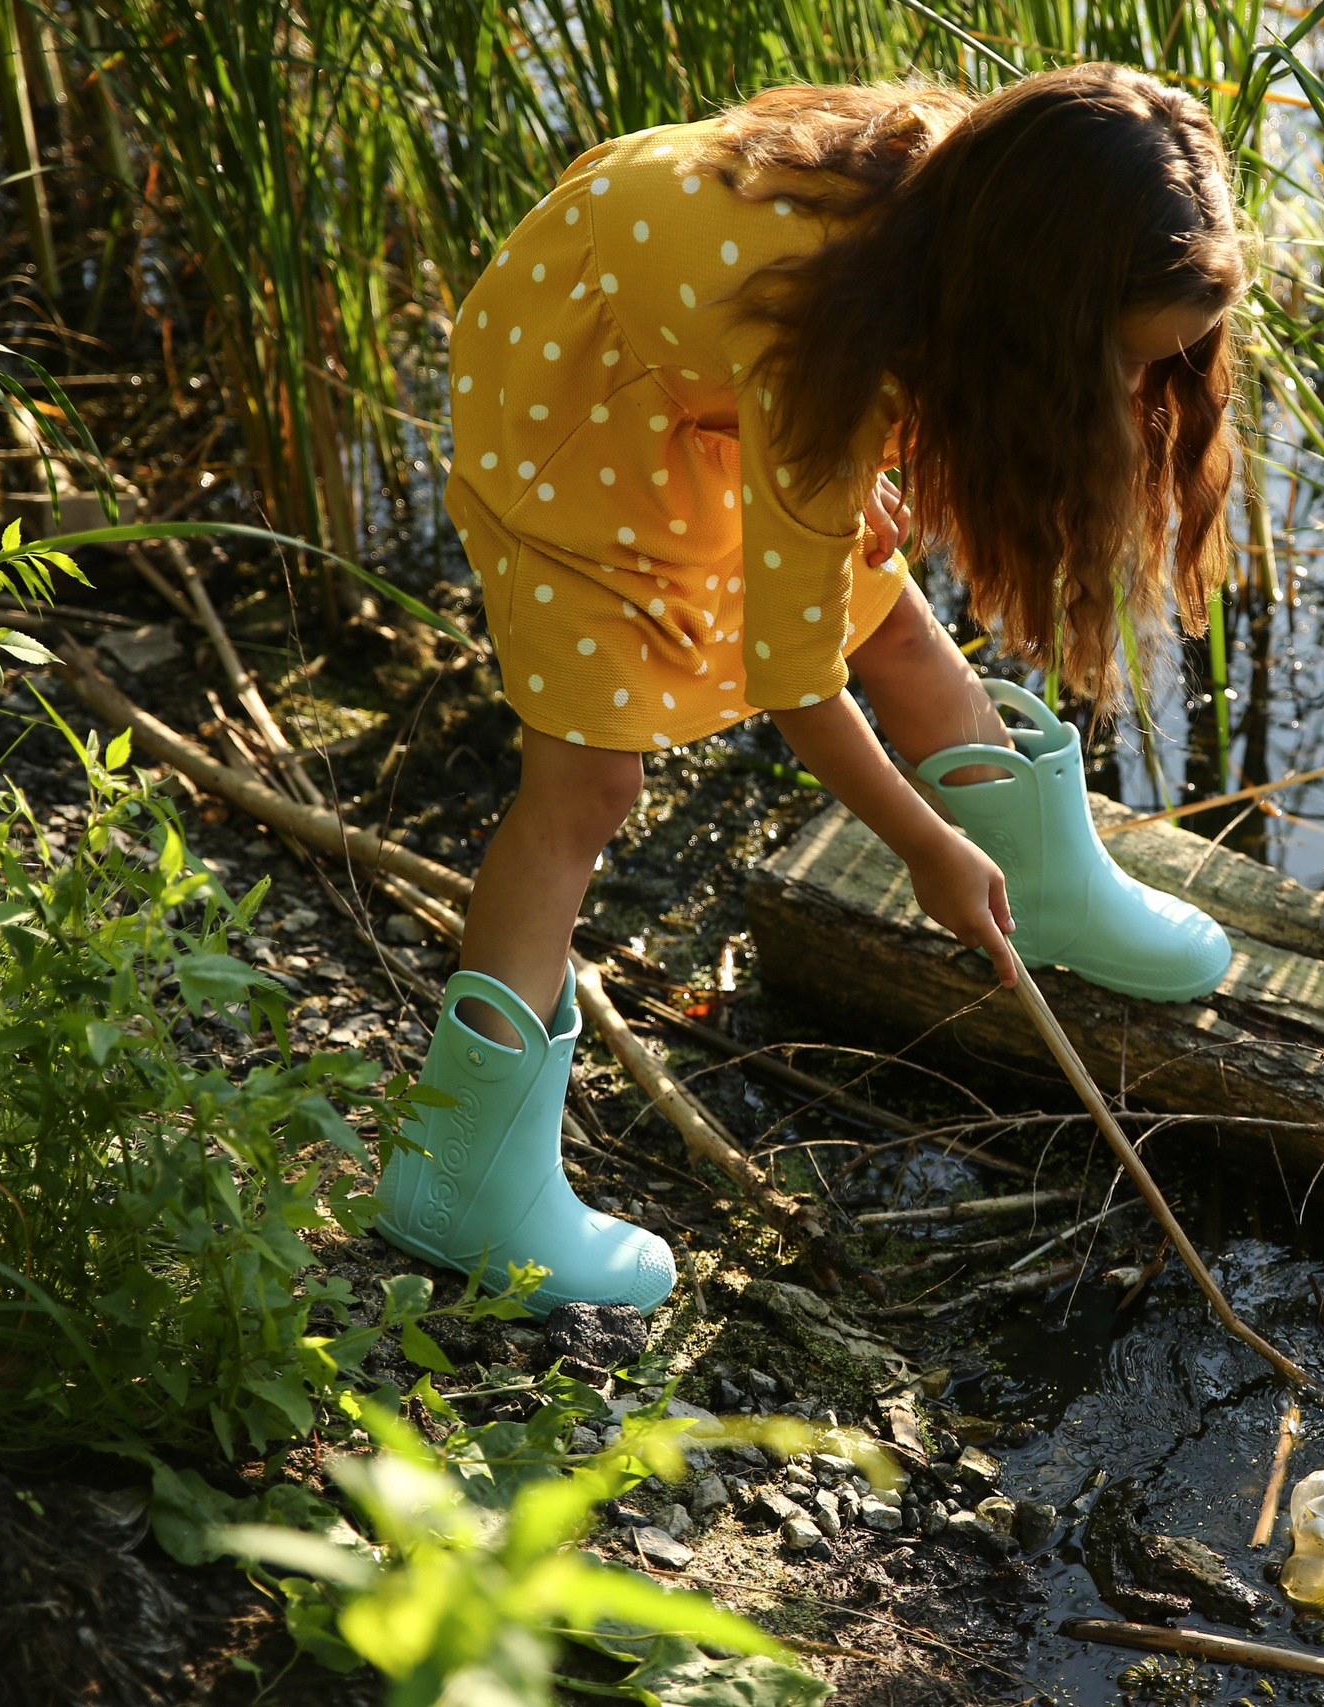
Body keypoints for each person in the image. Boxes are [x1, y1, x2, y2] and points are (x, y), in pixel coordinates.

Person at [377, 64, 1249, 1314]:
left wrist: (823, 481)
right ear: (1030, 305)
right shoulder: (815, 345)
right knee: (586, 784)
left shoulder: (967, 202)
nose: (1127, 396)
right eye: (1112, 364)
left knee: (884, 614)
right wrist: (925, 850)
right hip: (576, 400)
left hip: (703, 345)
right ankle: (458, 1180)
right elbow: (794, 683)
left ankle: (1048, 892)